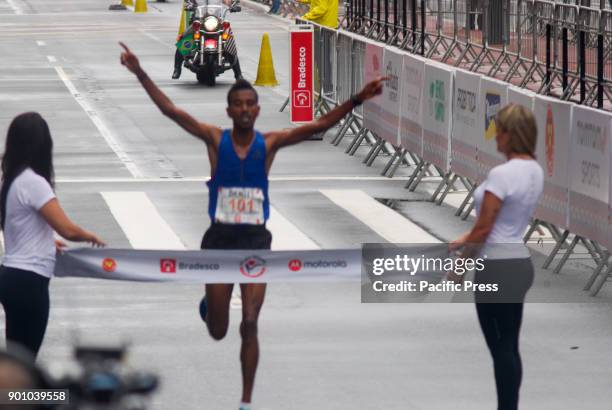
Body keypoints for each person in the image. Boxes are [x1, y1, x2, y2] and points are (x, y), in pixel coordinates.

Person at [119, 41, 385, 410]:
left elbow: (319, 125)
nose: (244, 110)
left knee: (250, 323)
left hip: (256, 243)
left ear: (258, 111)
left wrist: (358, 98)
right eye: (238, 105)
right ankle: (210, 308)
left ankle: (246, 402)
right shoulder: (215, 139)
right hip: (218, 242)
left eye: (250, 104)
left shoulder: (270, 143)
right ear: (229, 110)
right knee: (218, 331)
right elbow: (172, 112)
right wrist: (141, 73)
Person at [449, 104, 543, 410]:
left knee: (499, 346)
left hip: (495, 265)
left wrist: (461, 259)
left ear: (511, 134)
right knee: (510, 344)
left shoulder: (502, 174)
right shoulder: (534, 170)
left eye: (499, 131)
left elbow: (484, 228)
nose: (495, 138)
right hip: (519, 261)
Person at [0, 112, 106, 359]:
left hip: (11, 276)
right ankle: (32, 398)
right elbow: (67, 228)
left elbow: (19, 225)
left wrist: (45, 241)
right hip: (30, 281)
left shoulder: (11, 181)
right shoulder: (34, 182)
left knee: (17, 361)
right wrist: (91, 236)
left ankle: (11, 396)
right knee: (27, 364)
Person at [173, 0, 243, 80]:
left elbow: (229, 1)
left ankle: (238, 74)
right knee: (185, 40)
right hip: (199, 21)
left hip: (217, 21)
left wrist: (234, 5)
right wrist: (189, 5)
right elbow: (189, 1)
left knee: (229, 40)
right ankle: (177, 69)